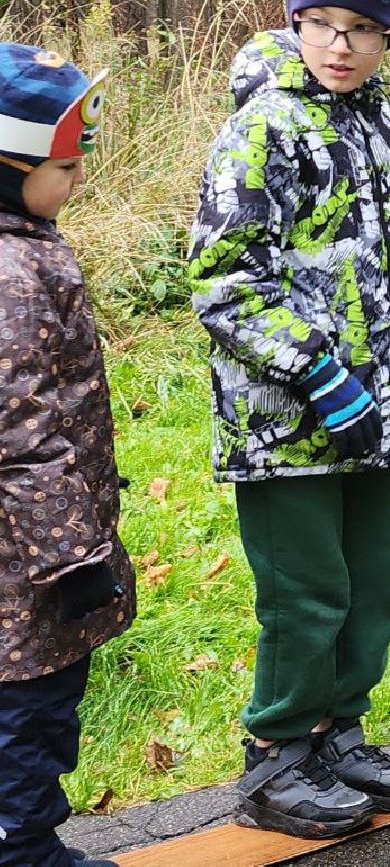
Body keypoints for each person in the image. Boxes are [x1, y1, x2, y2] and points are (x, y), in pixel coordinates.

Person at [189, 0, 390, 837]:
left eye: (362, 28)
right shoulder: (263, 128)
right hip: (287, 424)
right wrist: (319, 375)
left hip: (376, 418)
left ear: (389, 35)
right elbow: (222, 280)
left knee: (373, 583)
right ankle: (277, 756)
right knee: (307, 596)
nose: (341, 45)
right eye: (322, 24)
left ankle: (337, 732)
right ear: (295, 20)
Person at [0, 45, 134, 867]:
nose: (78, 178)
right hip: (27, 566)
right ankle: (25, 850)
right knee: (31, 705)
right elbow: (18, 439)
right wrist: (73, 559)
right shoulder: (9, 273)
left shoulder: (25, 244)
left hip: (27, 554)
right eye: (65, 166)